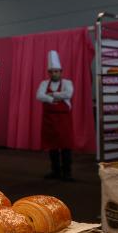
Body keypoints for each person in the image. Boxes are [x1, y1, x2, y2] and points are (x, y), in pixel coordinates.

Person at [36, 50, 74, 181]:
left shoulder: (67, 83)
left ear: (61, 71)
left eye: (56, 71)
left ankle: (67, 173)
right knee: (52, 147)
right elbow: (39, 96)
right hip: (49, 120)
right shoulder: (44, 83)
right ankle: (55, 171)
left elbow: (68, 94)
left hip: (64, 120)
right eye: (51, 72)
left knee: (65, 146)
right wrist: (54, 98)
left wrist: (52, 95)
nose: (54, 74)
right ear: (49, 73)